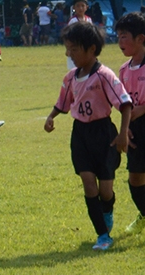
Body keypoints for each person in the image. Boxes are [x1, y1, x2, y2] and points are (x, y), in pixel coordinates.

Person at [44, 22, 132, 251]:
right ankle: (102, 235)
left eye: (73, 49)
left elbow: (124, 104)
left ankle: (107, 208)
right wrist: (51, 116)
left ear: (91, 49)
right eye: (67, 48)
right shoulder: (70, 78)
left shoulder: (104, 76)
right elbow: (64, 103)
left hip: (104, 135)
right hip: (80, 134)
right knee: (88, 183)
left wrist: (123, 135)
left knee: (105, 190)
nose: (68, 54)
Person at [116, 12, 145, 234]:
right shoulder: (124, 70)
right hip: (136, 130)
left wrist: (141, 110)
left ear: (140, 38)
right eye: (118, 36)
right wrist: (126, 128)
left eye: (124, 37)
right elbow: (124, 104)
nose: (120, 42)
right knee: (135, 178)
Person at [67, 0, 93, 69]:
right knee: (74, 68)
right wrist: (68, 49)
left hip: (86, 47)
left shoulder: (89, 20)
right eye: (78, 6)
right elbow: (68, 36)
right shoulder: (73, 21)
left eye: (82, 6)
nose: (80, 8)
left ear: (86, 7)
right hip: (75, 47)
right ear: (74, 8)